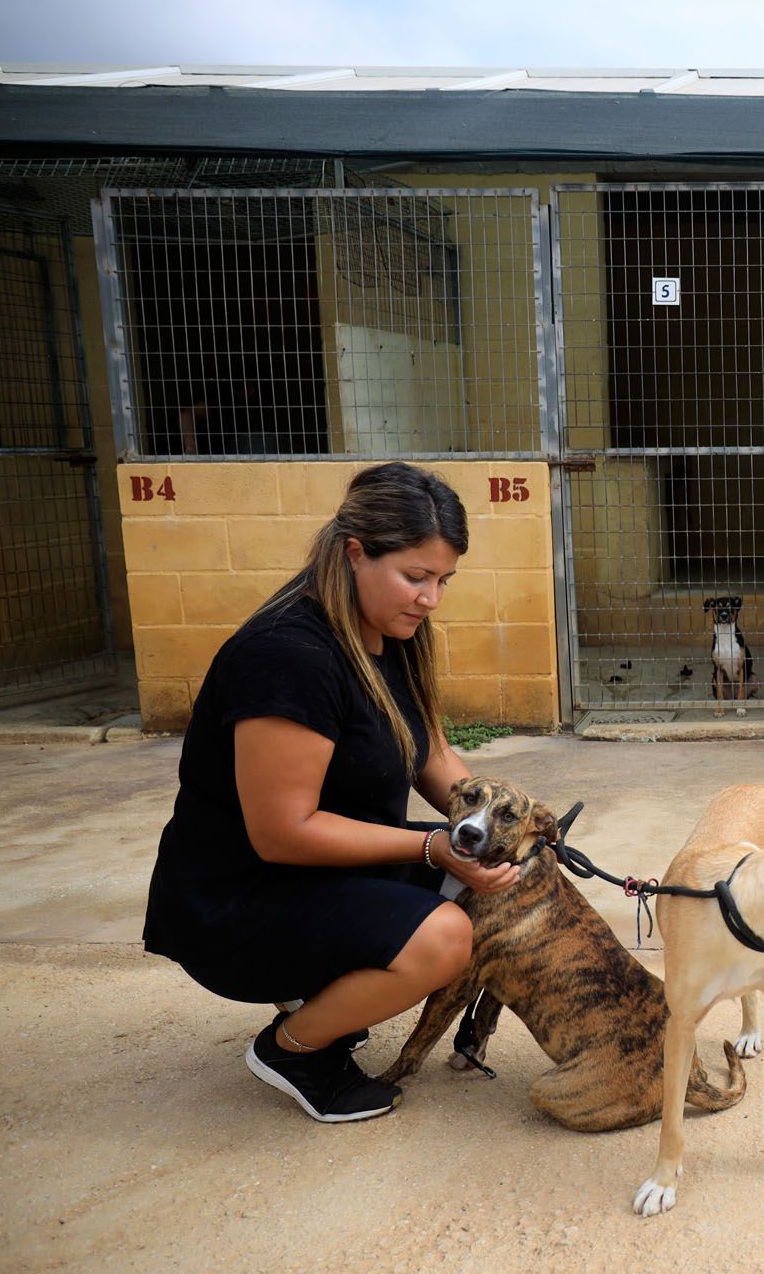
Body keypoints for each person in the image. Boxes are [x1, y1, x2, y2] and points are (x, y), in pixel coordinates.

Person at [143, 461, 518, 1123]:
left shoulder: (389, 629)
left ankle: (322, 992)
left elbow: (426, 750)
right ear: (354, 552)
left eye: (442, 581)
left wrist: (499, 826)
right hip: (237, 899)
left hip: (318, 871)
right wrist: (433, 845)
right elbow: (282, 831)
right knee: (444, 937)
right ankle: (294, 1050)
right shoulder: (289, 654)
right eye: (417, 576)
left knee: (491, 880)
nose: (431, 598)